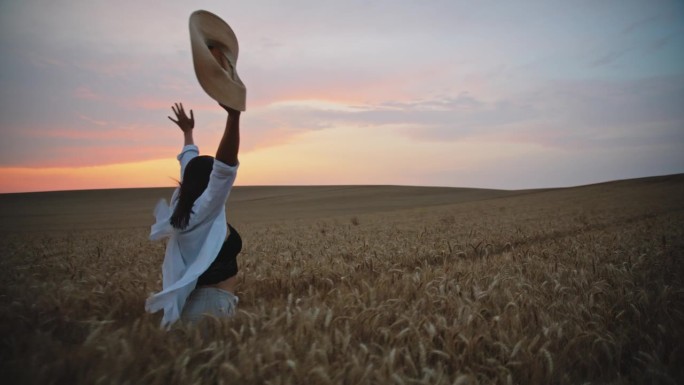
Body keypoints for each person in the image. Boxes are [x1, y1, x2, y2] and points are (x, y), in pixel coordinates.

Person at [145, 102, 242, 327]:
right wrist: (234, 117)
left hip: (202, 305)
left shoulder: (182, 206)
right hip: (211, 309)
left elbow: (189, 165)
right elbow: (224, 168)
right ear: (210, 184)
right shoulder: (207, 210)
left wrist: (188, 133)